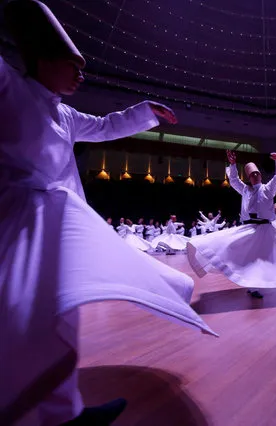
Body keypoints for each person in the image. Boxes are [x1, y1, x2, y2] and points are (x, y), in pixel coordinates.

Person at [0, 2, 214, 425]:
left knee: (60, 313)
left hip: (61, 226)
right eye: (73, 65)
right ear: (44, 60)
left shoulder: (64, 113)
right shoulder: (10, 89)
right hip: (22, 223)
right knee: (24, 314)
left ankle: (62, 412)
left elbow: (104, 126)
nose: (82, 74)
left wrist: (145, 111)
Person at [186, 150, 276, 299]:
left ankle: (258, 285)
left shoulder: (267, 189)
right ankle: (251, 286)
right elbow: (233, 181)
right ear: (249, 178)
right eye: (252, 175)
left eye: (257, 173)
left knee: (268, 257)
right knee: (243, 254)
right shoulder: (245, 190)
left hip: (265, 230)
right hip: (249, 229)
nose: (255, 176)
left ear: (260, 175)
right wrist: (232, 164)